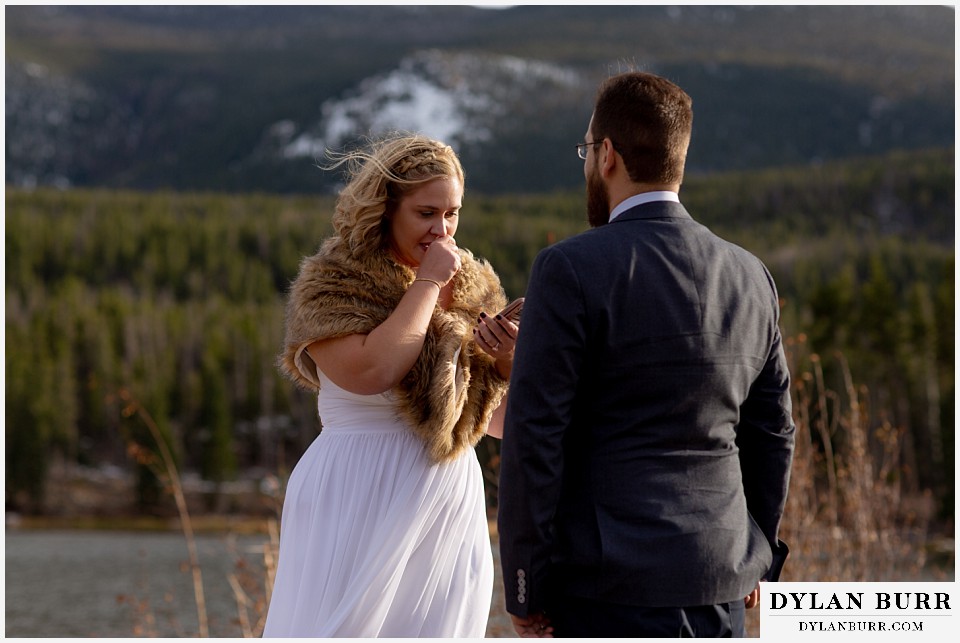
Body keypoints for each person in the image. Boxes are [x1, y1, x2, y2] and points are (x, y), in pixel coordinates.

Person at [497, 71, 796, 638]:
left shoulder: (568, 269)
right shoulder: (751, 275)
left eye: (587, 148)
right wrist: (757, 553)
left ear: (607, 155)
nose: (587, 161)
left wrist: (524, 585)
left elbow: (537, 437)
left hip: (605, 589)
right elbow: (774, 431)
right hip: (719, 581)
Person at [263, 134, 518, 637]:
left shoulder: (473, 288)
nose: (442, 230)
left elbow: (499, 424)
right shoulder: (334, 281)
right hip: (357, 490)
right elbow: (371, 372)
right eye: (426, 213)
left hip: (447, 504)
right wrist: (426, 284)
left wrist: (508, 362)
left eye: (453, 213)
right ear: (386, 208)